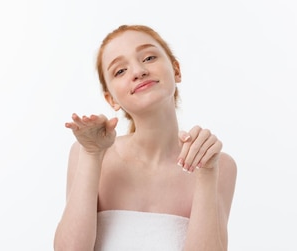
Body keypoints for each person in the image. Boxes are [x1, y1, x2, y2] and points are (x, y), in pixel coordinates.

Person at [53, 24, 238, 251]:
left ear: (176, 70)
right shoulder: (88, 153)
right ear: (111, 99)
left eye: (149, 57)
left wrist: (207, 172)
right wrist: (92, 155)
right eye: (120, 71)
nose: (138, 71)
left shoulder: (219, 164)